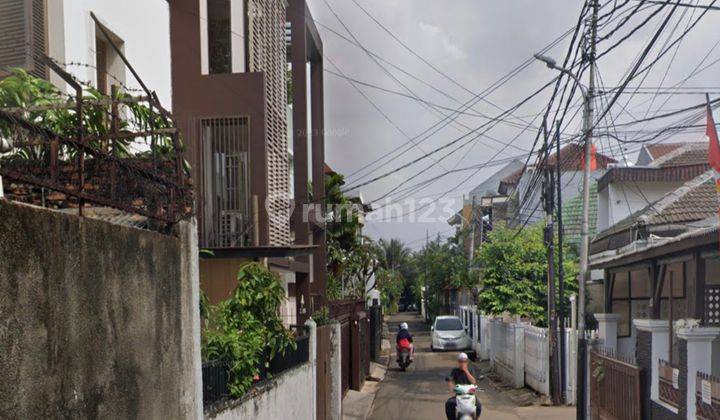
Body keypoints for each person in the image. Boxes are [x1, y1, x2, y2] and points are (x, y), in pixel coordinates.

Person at [445, 352, 481, 419]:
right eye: (461, 361)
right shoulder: (455, 371)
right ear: (458, 362)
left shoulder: (470, 370)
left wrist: (466, 371)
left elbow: (474, 381)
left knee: (478, 405)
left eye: (464, 361)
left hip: (470, 395)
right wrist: (450, 385)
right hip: (459, 396)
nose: (462, 363)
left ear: (467, 362)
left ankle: (476, 418)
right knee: (448, 403)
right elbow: (450, 379)